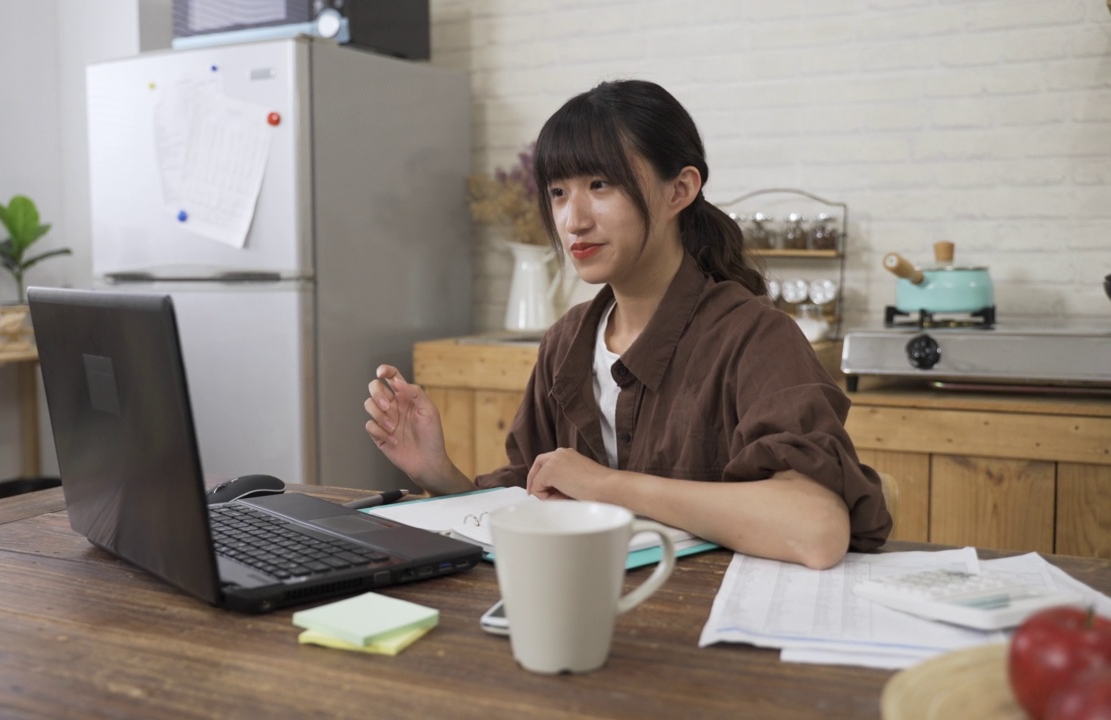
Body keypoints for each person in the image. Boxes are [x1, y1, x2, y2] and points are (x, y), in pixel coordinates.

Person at [364, 80, 890, 570]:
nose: (574, 220)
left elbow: (815, 529)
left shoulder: (753, 336)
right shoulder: (566, 342)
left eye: (600, 184)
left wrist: (606, 485)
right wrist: (437, 473)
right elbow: (526, 506)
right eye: (558, 192)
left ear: (679, 191)